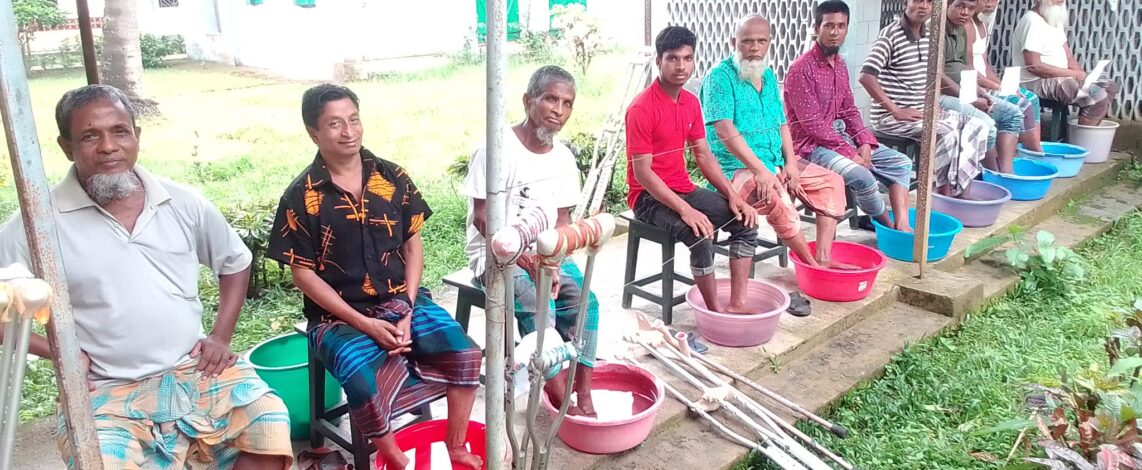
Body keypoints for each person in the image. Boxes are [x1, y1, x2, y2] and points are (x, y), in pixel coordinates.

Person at [0, 84, 293, 469]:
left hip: (194, 369)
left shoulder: (182, 202)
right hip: (107, 388)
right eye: (91, 135)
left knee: (268, 421)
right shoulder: (35, 226)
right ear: (66, 146)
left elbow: (234, 262)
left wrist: (221, 336)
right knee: (102, 462)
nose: (108, 146)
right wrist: (61, 353)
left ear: (136, 136)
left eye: (120, 131)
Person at [267, 84, 482, 470]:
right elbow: (303, 275)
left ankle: (455, 443)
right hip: (338, 317)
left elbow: (413, 246)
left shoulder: (391, 176)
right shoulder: (301, 196)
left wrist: (409, 308)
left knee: (465, 353)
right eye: (334, 124)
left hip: (402, 302)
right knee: (364, 381)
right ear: (313, 133)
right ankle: (394, 458)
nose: (348, 131)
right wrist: (364, 323)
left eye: (353, 120)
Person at [461, 65, 600, 416]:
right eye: (550, 99)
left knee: (588, 301)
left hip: (546, 252)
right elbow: (482, 217)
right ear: (528, 101)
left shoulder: (565, 158)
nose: (559, 110)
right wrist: (525, 259)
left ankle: (583, 394)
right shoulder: (496, 149)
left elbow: (563, 223)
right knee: (541, 307)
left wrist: (552, 264)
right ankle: (561, 404)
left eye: (567, 103)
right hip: (496, 254)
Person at [700, 14, 854, 267]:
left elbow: (782, 123)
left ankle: (824, 257)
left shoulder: (768, 75)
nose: (754, 48)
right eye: (747, 41)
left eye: (761, 41)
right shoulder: (720, 77)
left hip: (775, 161)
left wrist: (791, 164)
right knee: (774, 196)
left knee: (832, 181)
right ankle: (810, 266)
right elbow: (725, 130)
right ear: (733, 42)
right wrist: (760, 170)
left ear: (769, 43)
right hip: (734, 170)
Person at [626, 25, 760, 314]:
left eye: (687, 58)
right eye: (673, 58)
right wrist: (686, 210)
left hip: (683, 187)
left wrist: (732, 195)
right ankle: (715, 312)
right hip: (647, 198)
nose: (681, 66)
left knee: (746, 223)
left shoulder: (690, 101)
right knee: (701, 234)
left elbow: (703, 155)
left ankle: (738, 304)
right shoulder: (641, 108)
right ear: (658, 61)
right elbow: (643, 175)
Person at [783, 1, 914, 234]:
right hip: (809, 147)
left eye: (841, 26)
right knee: (862, 176)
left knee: (901, 163)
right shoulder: (801, 69)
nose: (835, 33)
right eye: (829, 26)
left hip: (840, 138)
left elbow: (849, 110)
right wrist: (850, 152)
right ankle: (888, 227)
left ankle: (903, 224)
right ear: (816, 27)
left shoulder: (840, 65)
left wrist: (863, 142)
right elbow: (812, 125)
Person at [859, 0, 991, 198]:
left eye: (929, 2)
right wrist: (895, 109)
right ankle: (941, 193)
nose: (923, 6)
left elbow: (931, 76)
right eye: (918, 0)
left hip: (924, 111)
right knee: (948, 133)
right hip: (892, 118)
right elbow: (866, 76)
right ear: (906, 2)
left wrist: (933, 105)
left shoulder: (929, 35)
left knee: (979, 126)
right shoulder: (890, 35)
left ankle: (960, 189)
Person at [941, 0, 1025, 174]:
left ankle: (1006, 172)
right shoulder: (936, 30)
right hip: (939, 96)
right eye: (959, 6)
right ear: (947, 5)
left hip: (964, 92)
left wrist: (981, 93)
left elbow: (967, 69)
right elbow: (936, 76)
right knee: (987, 125)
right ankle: (992, 175)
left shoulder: (961, 29)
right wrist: (970, 98)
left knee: (1013, 113)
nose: (965, 12)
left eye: (970, 8)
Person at [1012, 0, 1119, 126]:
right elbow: (1034, 66)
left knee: (1109, 86)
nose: (1062, 1)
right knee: (1097, 96)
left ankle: (1086, 134)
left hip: (1058, 77)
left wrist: (1083, 76)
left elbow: (1069, 58)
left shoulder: (1053, 19)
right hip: (1035, 81)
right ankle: (1079, 142)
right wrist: (1074, 74)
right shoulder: (1032, 21)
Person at [968, 0, 1044, 153]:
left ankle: (1026, 149)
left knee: (1032, 98)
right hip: (975, 87)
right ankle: (1035, 151)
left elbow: (985, 66)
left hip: (986, 84)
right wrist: (997, 87)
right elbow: (969, 70)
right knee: (1023, 105)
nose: (991, 4)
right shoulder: (966, 26)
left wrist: (1005, 86)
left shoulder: (981, 24)